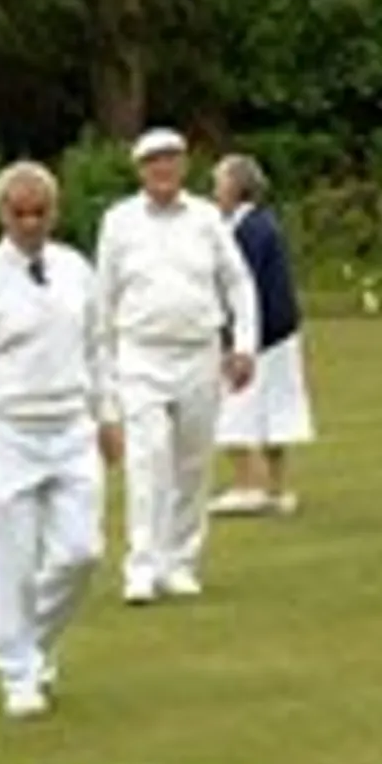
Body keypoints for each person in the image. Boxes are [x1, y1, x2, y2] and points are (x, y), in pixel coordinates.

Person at [0, 160, 123, 719]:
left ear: (55, 211)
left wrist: (108, 415)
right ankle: (18, 673)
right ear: (1, 214)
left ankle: (30, 645)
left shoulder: (75, 269)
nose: (30, 223)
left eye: (40, 212)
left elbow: (98, 348)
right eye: (19, 213)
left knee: (81, 553)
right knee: (10, 564)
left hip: (70, 428)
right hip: (5, 435)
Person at [94, 127, 258, 604]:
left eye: (171, 160)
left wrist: (244, 345)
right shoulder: (118, 221)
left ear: (184, 166)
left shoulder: (207, 219)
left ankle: (181, 562)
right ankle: (142, 566)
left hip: (198, 352)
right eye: (153, 162)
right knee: (147, 460)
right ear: (140, 169)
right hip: (140, 353)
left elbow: (238, 283)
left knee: (192, 461)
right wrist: (102, 368)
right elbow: (103, 298)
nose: (163, 169)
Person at [208, 154, 315, 516]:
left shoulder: (249, 230)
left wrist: (235, 342)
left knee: (237, 406)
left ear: (236, 187)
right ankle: (276, 488)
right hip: (280, 332)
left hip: (264, 335)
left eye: (218, 183)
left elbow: (241, 289)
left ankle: (248, 486)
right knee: (275, 412)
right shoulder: (260, 224)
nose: (213, 191)